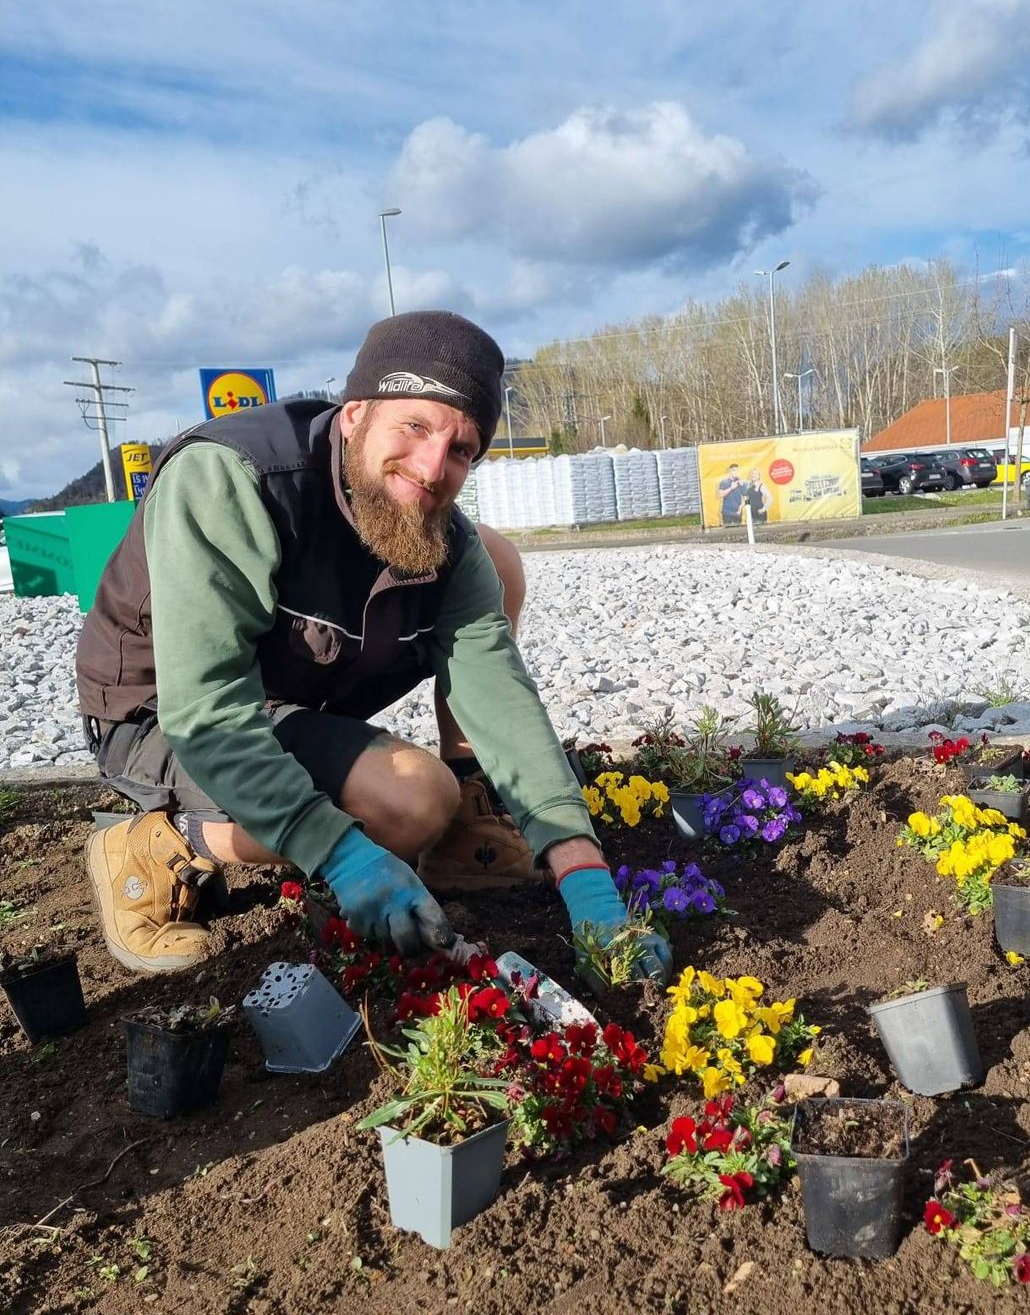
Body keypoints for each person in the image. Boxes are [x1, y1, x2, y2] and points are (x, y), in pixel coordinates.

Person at [76, 310, 671, 985]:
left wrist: (583, 874)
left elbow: (497, 690)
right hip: (163, 712)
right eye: (415, 427)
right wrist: (339, 852)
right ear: (355, 413)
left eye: (460, 449)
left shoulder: (433, 528)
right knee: (408, 801)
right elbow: (208, 710)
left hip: (288, 698)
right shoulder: (234, 480)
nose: (431, 465)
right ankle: (155, 846)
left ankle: (465, 828)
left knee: (495, 561)